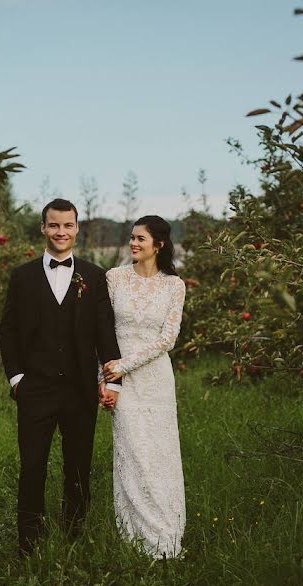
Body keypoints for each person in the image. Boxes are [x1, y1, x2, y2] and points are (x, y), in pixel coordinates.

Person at [0, 198, 122, 556]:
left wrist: (112, 380)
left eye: (67, 225)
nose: (61, 232)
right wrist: (16, 378)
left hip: (80, 388)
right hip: (34, 388)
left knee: (78, 467)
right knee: (32, 466)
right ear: (42, 228)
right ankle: (28, 542)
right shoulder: (21, 277)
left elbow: (105, 332)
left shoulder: (94, 275)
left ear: (77, 228)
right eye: (54, 225)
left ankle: (74, 537)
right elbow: (8, 331)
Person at [101, 215, 187, 560]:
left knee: (159, 458)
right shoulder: (114, 278)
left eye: (140, 239)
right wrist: (108, 380)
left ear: (159, 244)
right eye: (132, 238)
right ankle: (133, 538)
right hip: (120, 383)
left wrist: (125, 364)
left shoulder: (174, 285)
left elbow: (168, 338)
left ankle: (167, 538)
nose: (133, 243)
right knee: (131, 454)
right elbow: (104, 335)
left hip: (155, 382)